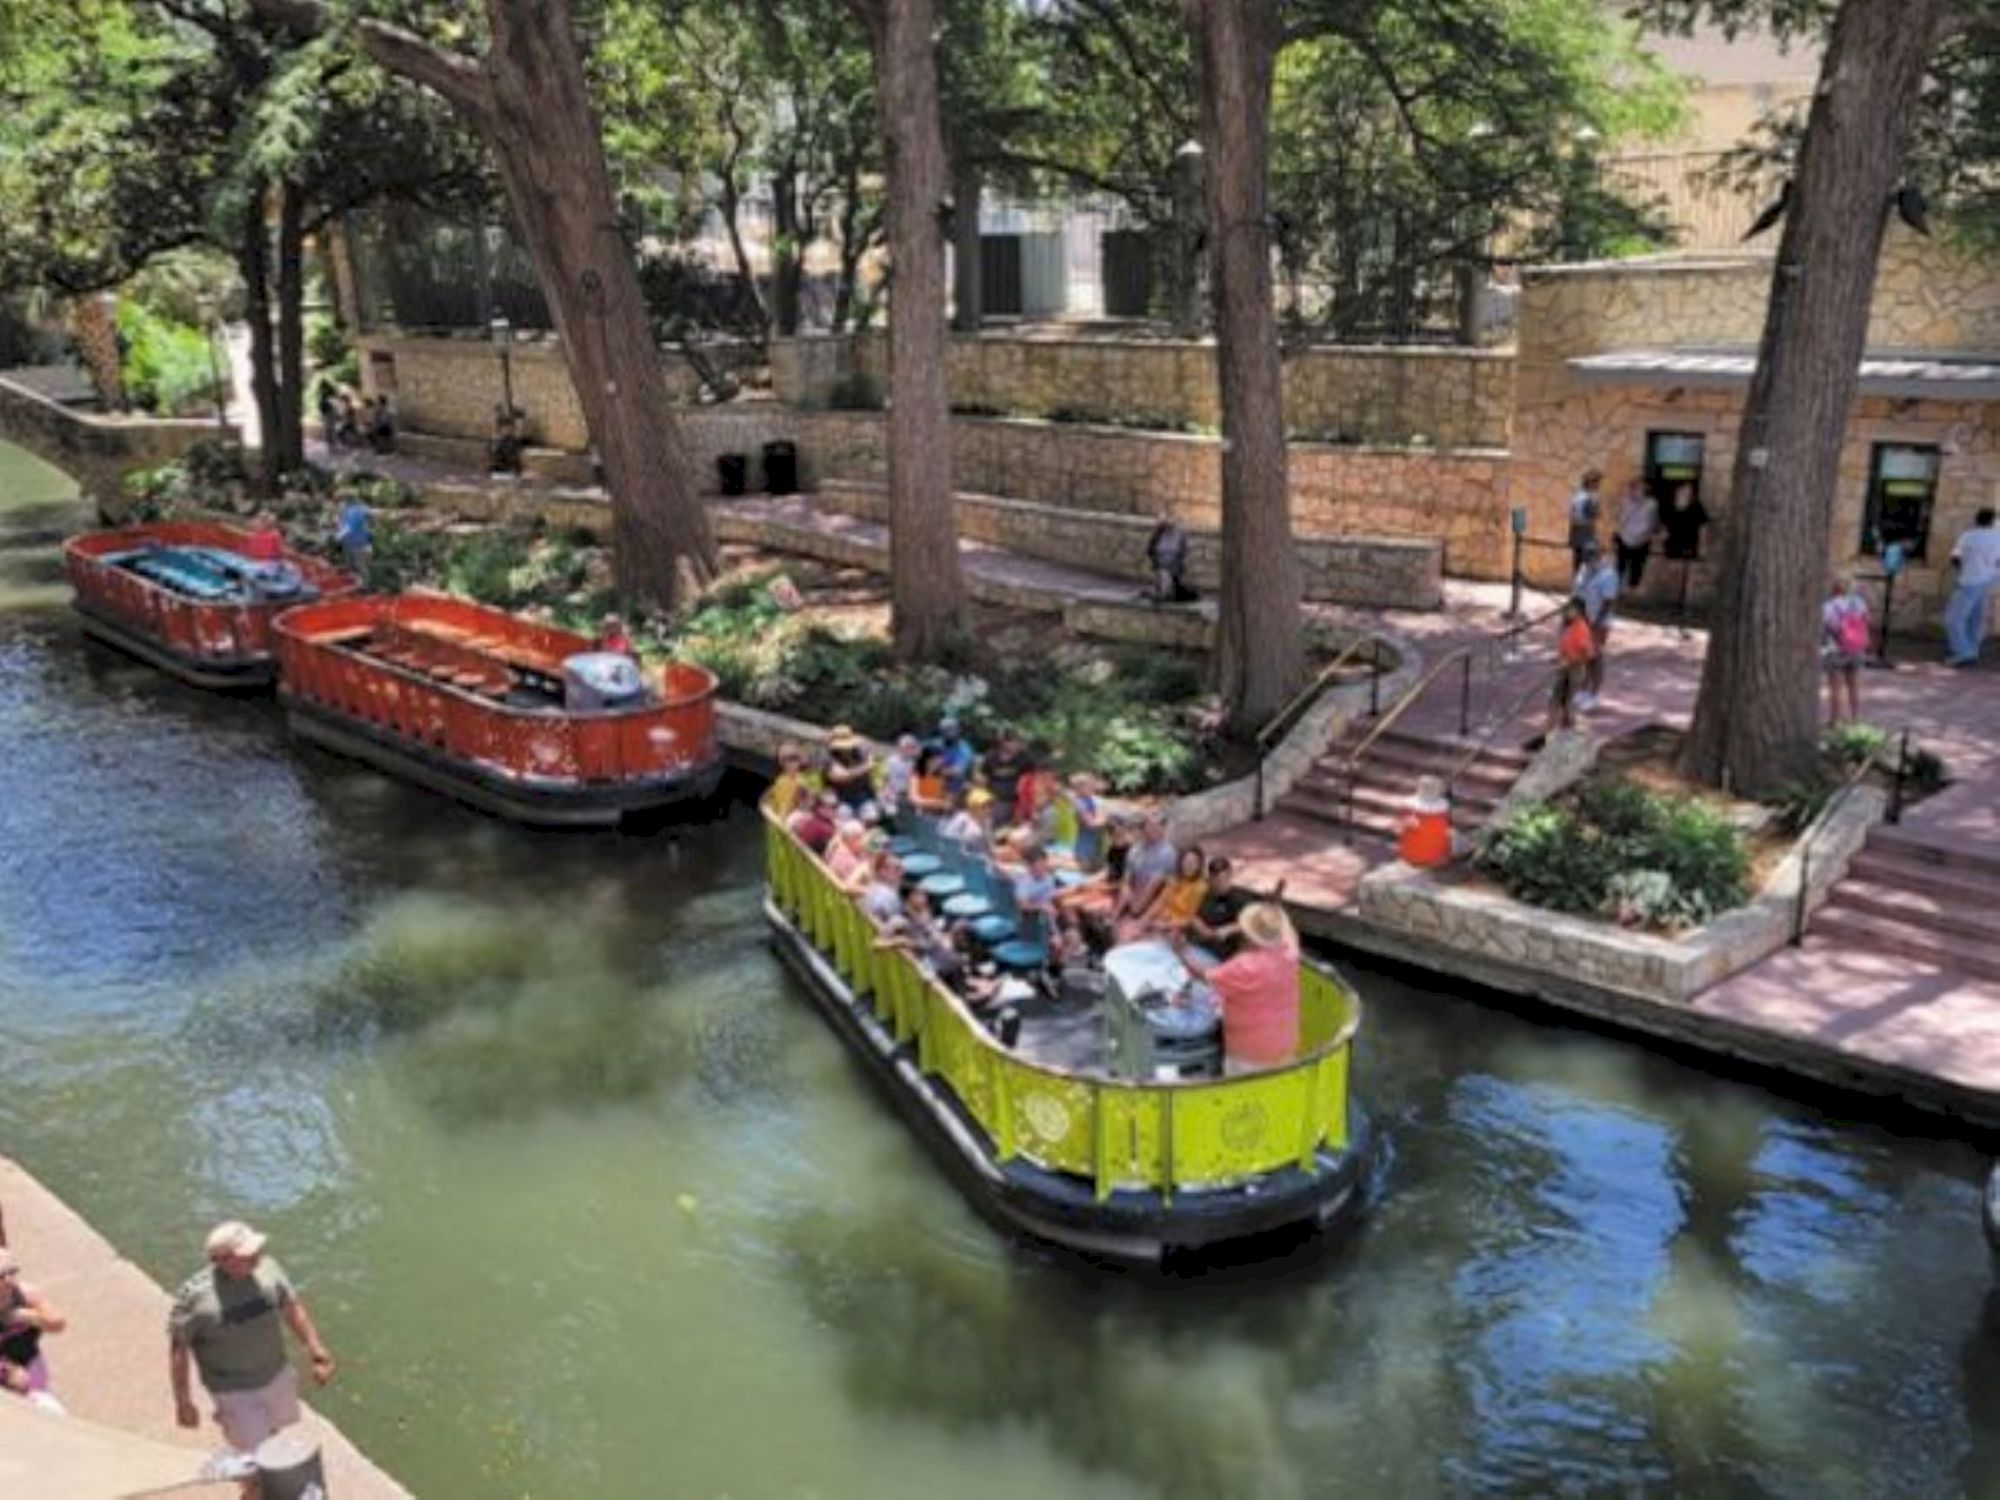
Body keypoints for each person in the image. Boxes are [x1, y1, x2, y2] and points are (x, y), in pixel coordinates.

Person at [169, 1221, 335, 1456]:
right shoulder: (194, 1299)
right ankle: (251, 1483)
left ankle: (256, 1451)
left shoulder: (269, 1269)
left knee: (274, 1431)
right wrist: (183, 1401)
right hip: (233, 1389)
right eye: (248, 1255)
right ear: (222, 1261)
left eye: (256, 1250)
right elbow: (179, 1350)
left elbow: (290, 1305)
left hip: (276, 1373)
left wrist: (316, 1349)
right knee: (253, 1451)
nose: (257, 1256)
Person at [1174, 902, 1301, 1075]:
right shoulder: (1291, 951)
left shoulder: (1243, 967)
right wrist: (1273, 909)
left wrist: (1181, 952)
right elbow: (1287, 927)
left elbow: (1203, 975)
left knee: (1245, 1098)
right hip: (1285, 1046)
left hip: (1248, 1054)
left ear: (1248, 936)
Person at [1525, 599, 1597, 752]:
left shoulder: (1581, 629)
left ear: (1579, 611)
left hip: (1574, 671)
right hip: (1564, 669)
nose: (1567, 613)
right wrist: (1558, 658)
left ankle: (1576, 740)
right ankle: (1545, 737)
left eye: (1570, 610)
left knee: (1567, 705)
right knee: (1556, 703)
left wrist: (1570, 662)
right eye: (1567, 610)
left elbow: (1588, 654)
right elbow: (1567, 648)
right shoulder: (1570, 627)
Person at [0, 1247, 66, 1407]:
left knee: (42, 1405)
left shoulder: (26, 1293)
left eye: (12, 1272)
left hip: (30, 1360)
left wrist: (25, 1316)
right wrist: (6, 1371)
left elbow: (59, 1323)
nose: (9, 1281)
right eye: (1, 1276)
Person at [1946, 507, 2000, 668]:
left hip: (1969, 580)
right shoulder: (1998, 537)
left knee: (1953, 619)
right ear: (1993, 521)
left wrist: (1964, 568)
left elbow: (1955, 558)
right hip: (1989, 580)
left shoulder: (1968, 536)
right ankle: (1972, 649)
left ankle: (1963, 652)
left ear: (1976, 519)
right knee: (1976, 618)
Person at [1572, 539, 1618, 711]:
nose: (1588, 557)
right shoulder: (1583, 570)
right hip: (1584, 618)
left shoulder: (1608, 574)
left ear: (1599, 554)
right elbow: (1579, 595)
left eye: (1592, 553)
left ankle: (1594, 694)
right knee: (1585, 656)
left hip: (1600, 622)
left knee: (1596, 656)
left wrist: (1595, 624)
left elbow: (1608, 602)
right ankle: (1583, 689)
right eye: (1586, 554)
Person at [1822, 574, 1871, 725]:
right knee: (1854, 685)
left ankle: (1835, 719)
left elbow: (1828, 626)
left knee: (1836, 688)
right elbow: (1866, 621)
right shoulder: (1859, 603)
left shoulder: (1829, 606)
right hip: (1856, 648)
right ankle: (1855, 718)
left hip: (1836, 649)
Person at [1660, 483, 1709, 634]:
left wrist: (1702, 546)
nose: (1684, 493)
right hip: (1673, 544)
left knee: (1687, 576)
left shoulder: (1696, 506)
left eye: (1687, 491)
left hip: (1689, 544)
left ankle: (1685, 606)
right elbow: (1664, 525)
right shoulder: (1671, 506)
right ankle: (1674, 603)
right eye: (1682, 491)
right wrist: (1663, 536)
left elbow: (1703, 527)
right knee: (1674, 574)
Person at [1116, 812, 1178, 923]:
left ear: (1163, 829)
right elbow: (1128, 872)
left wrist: (1136, 908)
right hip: (1131, 895)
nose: (1151, 830)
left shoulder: (1167, 852)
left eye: (1155, 826)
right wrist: (1125, 887)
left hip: (1151, 901)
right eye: (1148, 826)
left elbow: (1154, 885)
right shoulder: (1136, 848)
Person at [1137, 845, 1208, 936]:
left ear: (1199, 865)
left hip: (1179, 927)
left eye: (1193, 862)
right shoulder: (1174, 880)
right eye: (1186, 861)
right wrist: (1143, 920)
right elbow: (1160, 902)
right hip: (1161, 920)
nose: (1188, 865)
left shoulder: (1200, 887)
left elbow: (1191, 919)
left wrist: (1165, 925)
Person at [1188, 855, 1250, 956]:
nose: (1219, 882)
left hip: (1220, 951)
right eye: (1215, 877)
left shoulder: (1238, 898)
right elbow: (1193, 913)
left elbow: (1249, 924)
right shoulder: (1205, 892)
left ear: (1230, 875)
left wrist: (1229, 929)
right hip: (1198, 944)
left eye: (1224, 877)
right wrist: (1197, 923)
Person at [1396, 775, 1454, 868]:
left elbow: (1403, 824)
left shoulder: (1409, 805)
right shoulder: (1444, 807)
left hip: (1414, 850)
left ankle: (1417, 856)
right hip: (1435, 849)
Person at [1613, 477, 1658, 591]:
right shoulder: (1625, 502)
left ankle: (1631, 590)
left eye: (1639, 488)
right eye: (1633, 488)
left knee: (1636, 570)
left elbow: (1652, 523)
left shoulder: (1651, 504)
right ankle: (1618, 592)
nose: (1635, 491)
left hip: (1641, 540)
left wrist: (1648, 535)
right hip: (1626, 538)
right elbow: (1619, 518)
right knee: (1620, 568)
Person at [822, 726, 877, 818]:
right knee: (844, 815)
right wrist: (866, 767)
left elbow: (871, 748)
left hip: (863, 797)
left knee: (871, 816)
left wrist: (868, 762)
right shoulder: (830, 758)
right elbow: (839, 776)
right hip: (841, 799)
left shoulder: (857, 753)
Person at [982, 727, 1032, 824]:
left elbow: (1030, 780)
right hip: (994, 800)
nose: (1015, 745)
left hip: (1015, 802)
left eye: (1017, 741)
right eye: (1011, 741)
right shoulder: (991, 757)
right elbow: (983, 777)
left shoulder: (1024, 759)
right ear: (1003, 742)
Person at [1146, 517, 1197, 603]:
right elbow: (1150, 551)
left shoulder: (1179, 535)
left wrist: (1176, 562)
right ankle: (1162, 592)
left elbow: (1183, 552)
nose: (1167, 527)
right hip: (1161, 565)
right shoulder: (1157, 536)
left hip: (1173, 566)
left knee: (1167, 576)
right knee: (1163, 574)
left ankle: (1166, 593)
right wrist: (1157, 561)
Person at [928, 717, 977, 797]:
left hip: (957, 783)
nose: (950, 732)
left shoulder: (964, 748)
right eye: (946, 730)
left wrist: (937, 769)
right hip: (937, 781)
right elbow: (926, 764)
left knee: (955, 782)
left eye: (952, 729)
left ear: (958, 730)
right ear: (941, 731)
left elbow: (957, 771)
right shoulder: (935, 743)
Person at [1567, 468, 1603, 574]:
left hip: (1577, 529)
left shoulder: (1577, 494)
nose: (1598, 485)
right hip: (1585, 530)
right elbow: (1593, 514)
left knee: (1578, 561)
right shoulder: (1590, 497)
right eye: (1597, 482)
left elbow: (1572, 513)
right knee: (1586, 561)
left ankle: (1578, 584)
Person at [878, 734, 922, 818]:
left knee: (920, 810)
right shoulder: (890, 761)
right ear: (900, 748)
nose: (909, 750)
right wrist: (885, 791)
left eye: (912, 747)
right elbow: (884, 780)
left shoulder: (916, 763)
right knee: (890, 810)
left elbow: (918, 782)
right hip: (893, 792)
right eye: (907, 747)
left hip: (910, 793)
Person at [787, 787, 837, 854]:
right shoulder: (814, 823)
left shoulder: (827, 820)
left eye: (834, 806)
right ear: (820, 806)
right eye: (830, 806)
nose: (833, 810)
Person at [334, 495, 372, 578]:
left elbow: (350, 526)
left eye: (342, 505)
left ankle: (367, 583)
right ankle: (349, 569)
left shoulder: (358, 511)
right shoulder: (345, 512)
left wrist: (339, 535)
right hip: (349, 539)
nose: (340, 507)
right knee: (348, 557)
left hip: (358, 540)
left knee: (360, 562)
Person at [489, 404, 524, 476]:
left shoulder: (513, 439)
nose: (507, 430)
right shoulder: (498, 440)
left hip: (510, 467)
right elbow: (495, 432)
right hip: (503, 467)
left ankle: (517, 417)